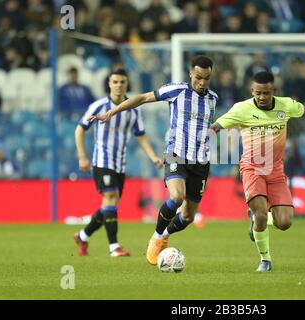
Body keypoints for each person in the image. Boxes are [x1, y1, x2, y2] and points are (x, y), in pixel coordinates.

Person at [210, 71, 305, 272]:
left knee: (284, 222)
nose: (262, 97)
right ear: (252, 91)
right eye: (258, 93)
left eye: (266, 93)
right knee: (261, 214)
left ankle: (256, 218)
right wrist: (208, 134)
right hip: (251, 168)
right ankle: (265, 260)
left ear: (273, 90)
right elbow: (217, 125)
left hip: (275, 171)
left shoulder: (286, 105)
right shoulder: (241, 109)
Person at [89, 56, 218, 265]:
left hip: (201, 163)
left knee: (188, 217)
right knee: (177, 196)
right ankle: (157, 237)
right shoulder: (176, 90)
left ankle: (165, 233)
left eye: (206, 78)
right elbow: (141, 98)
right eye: (198, 77)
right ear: (190, 75)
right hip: (176, 154)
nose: (202, 83)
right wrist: (111, 112)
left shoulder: (213, 98)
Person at [73, 68, 164, 257]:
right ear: (109, 84)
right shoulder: (98, 106)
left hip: (120, 164)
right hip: (102, 161)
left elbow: (141, 136)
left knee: (109, 205)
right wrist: (82, 156)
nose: (118, 85)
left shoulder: (133, 110)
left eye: (122, 82)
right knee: (111, 198)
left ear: (126, 84)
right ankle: (114, 247)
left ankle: (83, 235)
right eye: (115, 82)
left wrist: (153, 156)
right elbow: (80, 129)